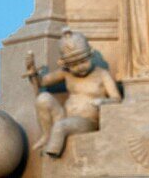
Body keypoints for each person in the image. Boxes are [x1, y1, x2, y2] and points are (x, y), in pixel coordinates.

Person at [24, 28, 120, 157]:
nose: (80, 68)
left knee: (60, 127)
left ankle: (50, 156)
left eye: (83, 62)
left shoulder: (102, 74)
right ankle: (46, 136)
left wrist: (103, 101)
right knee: (43, 98)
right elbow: (41, 83)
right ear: (66, 65)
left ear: (90, 55)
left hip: (87, 121)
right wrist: (32, 71)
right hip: (65, 117)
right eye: (74, 65)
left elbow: (116, 98)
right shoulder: (66, 73)